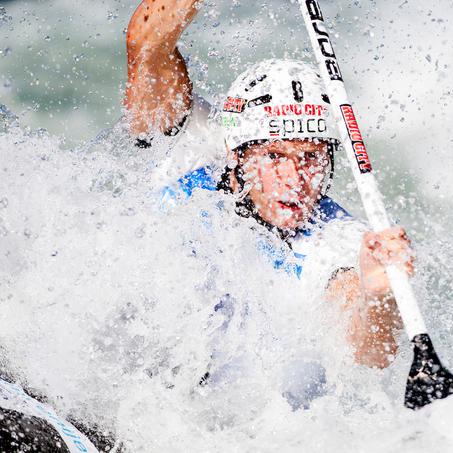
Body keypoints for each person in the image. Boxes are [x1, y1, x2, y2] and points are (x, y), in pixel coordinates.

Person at [124, 0, 413, 372]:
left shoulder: (339, 239)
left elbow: (371, 353)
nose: (294, 181)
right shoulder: (191, 141)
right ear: (236, 152)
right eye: (275, 157)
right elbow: (146, 44)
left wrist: (377, 295)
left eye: (310, 157)